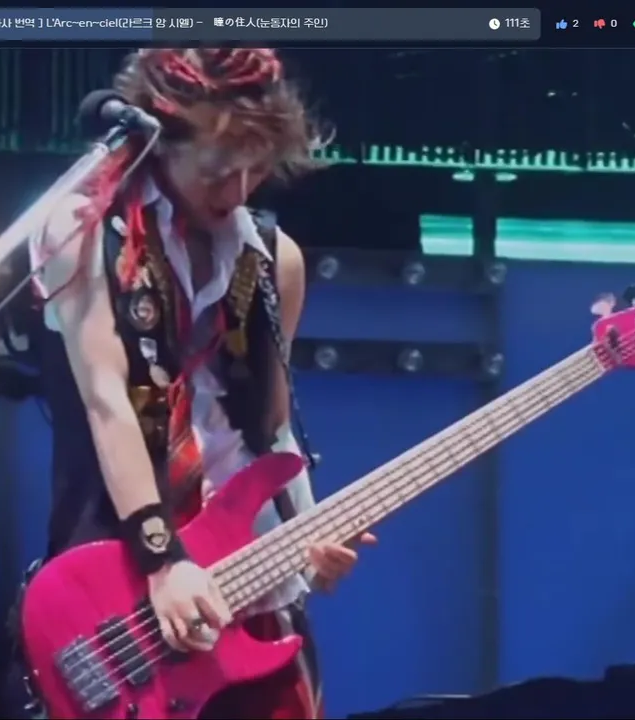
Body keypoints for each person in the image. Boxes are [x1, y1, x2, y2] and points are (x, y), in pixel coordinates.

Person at [24, 48, 375, 719]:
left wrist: (307, 542)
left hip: (250, 583)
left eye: (257, 169)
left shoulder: (275, 259)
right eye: (217, 172)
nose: (238, 192)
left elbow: (270, 430)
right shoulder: (81, 228)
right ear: (159, 142)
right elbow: (107, 402)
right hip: (126, 579)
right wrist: (163, 563)